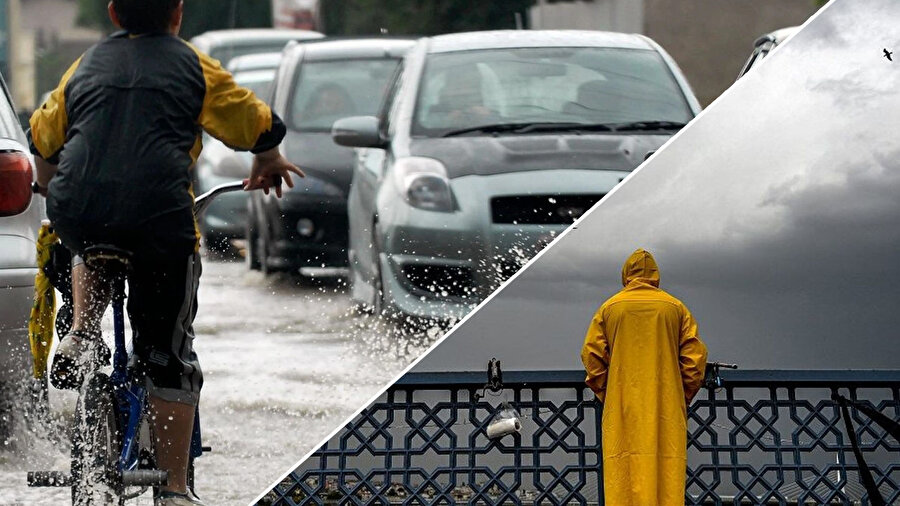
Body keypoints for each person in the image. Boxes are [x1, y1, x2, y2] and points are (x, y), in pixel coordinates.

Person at [27, 1, 303, 504]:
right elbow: (254, 121)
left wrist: (51, 187)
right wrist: (268, 156)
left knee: (91, 229)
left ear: (113, 14)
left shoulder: (86, 65)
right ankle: (174, 489)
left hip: (79, 209)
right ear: (177, 12)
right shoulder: (192, 64)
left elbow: (43, 139)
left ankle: (81, 331)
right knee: (168, 357)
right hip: (158, 218)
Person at [580, 249, 707, 506]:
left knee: (622, 472)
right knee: (666, 471)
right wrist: (680, 395)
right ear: (655, 275)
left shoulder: (610, 308)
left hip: (622, 404)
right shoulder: (675, 308)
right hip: (665, 406)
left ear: (626, 274)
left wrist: (608, 392)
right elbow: (694, 361)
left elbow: (592, 356)